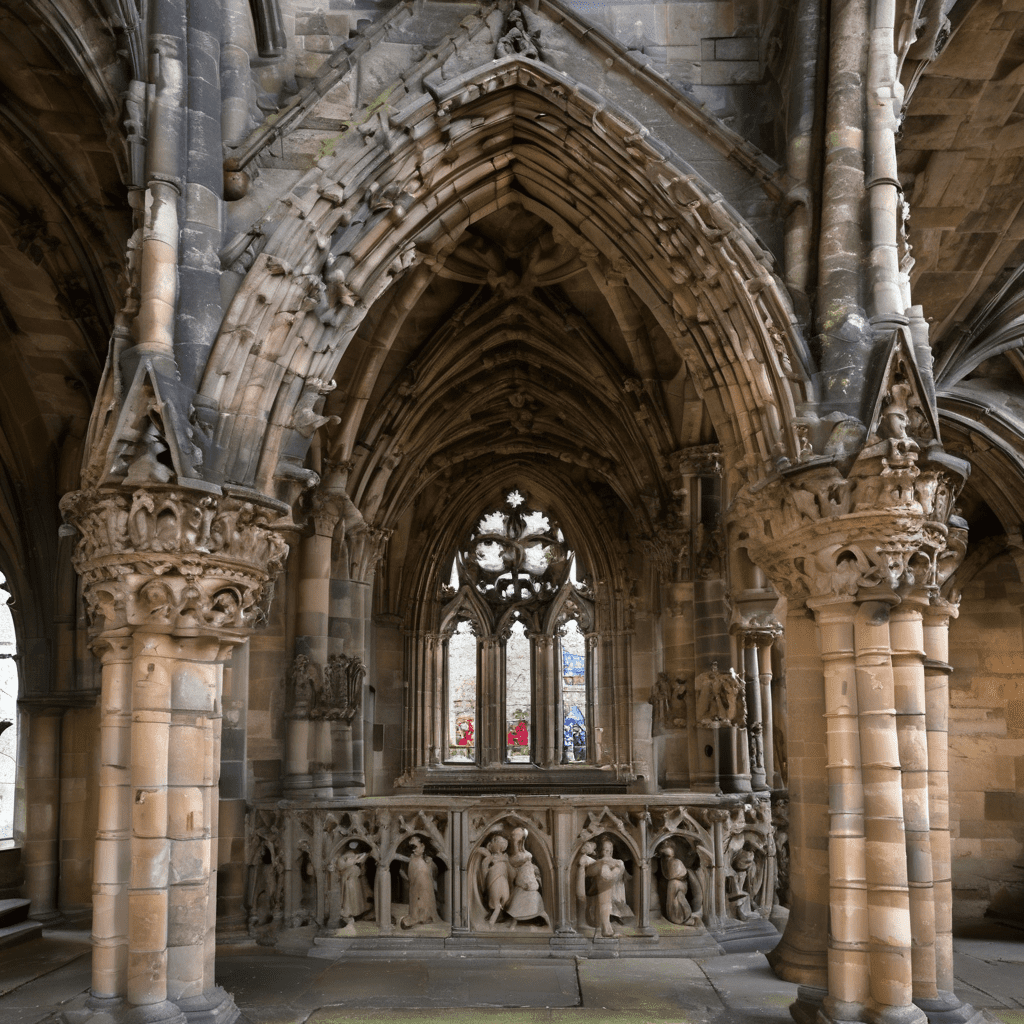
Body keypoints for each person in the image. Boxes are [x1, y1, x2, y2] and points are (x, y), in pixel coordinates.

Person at [585, 838, 632, 937]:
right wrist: (608, 863)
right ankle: (606, 926)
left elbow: (620, 867)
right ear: (598, 851)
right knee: (605, 868)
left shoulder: (614, 863)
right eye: (606, 850)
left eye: (610, 850)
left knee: (615, 866)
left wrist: (615, 865)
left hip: (612, 888)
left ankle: (607, 925)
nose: (609, 852)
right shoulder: (594, 862)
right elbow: (594, 869)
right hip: (595, 888)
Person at [505, 827, 549, 926]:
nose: (512, 837)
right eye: (512, 835)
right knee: (515, 904)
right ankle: (513, 922)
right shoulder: (514, 855)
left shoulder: (526, 856)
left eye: (515, 835)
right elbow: (513, 861)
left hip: (528, 884)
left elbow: (517, 861)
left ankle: (515, 922)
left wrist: (527, 883)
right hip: (520, 885)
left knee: (531, 905)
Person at [401, 836, 438, 928]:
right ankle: (416, 917)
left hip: (426, 887)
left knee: (424, 898)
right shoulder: (412, 858)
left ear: (422, 846)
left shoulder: (428, 860)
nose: (413, 850)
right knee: (416, 900)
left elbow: (433, 874)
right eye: (411, 848)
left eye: (415, 847)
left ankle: (425, 917)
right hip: (415, 887)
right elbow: (403, 871)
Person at [479, 834, 513, 925]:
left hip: (503, 879)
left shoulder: (505, 858)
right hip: (494, 880)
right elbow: (484, 869)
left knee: (505, 897)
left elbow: (511, 872)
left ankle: (500, 914)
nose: (490, 844)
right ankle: (494, 914)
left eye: (494, 841)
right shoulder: (490, 858)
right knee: (495, 898)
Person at [657, 844, 693, 925]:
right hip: (674, 884)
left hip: (678, 884)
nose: (667, 859)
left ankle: (684, 917)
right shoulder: (666, 863)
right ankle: (677, 918)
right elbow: (669, 875)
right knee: (673, 902)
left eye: (668, 856)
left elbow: (679, 874)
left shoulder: (676, 862)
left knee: (679, 900)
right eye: (666, 857)